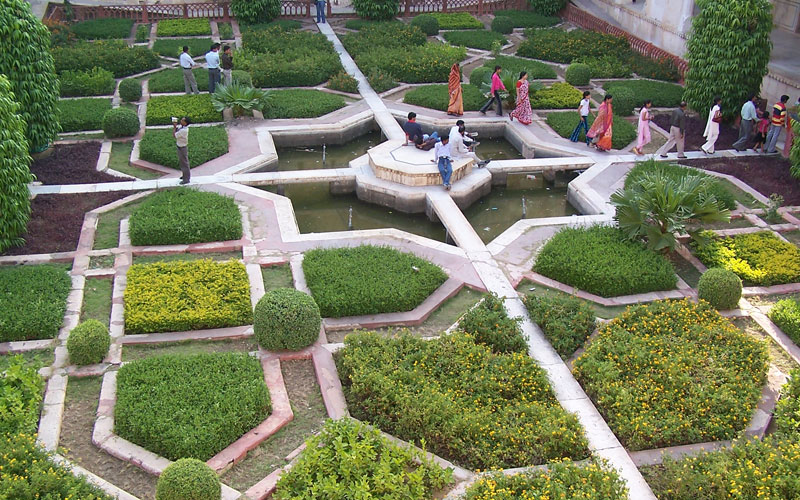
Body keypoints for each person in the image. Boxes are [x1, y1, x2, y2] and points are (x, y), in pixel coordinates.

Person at [173, 116, 191, 185]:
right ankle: (184, 175)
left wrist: (174, 127)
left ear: (185, 123)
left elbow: (174, 135)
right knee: (182, 162)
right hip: (180, 146)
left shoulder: (184, 130)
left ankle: (186, 179)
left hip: (182, 148)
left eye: (182, 120)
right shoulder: (182, 127)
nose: (181, 121)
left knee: (184, 163)